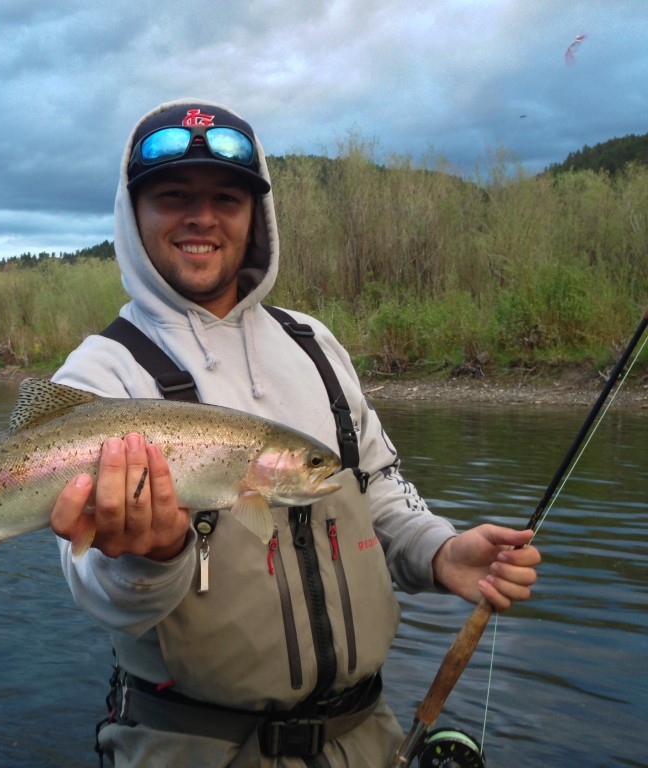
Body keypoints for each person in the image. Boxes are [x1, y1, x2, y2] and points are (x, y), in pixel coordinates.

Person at [48, 99, 540, 767]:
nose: (201, 217)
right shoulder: (100, 373)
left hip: (369, 737)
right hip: (195, 748)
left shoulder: (315, 345)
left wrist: (440, 552)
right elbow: (96, 589)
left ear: (256, 217)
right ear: (133, 217)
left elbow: (378, 492)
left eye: (227, 196)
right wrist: (150, 558)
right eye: (172, 196)